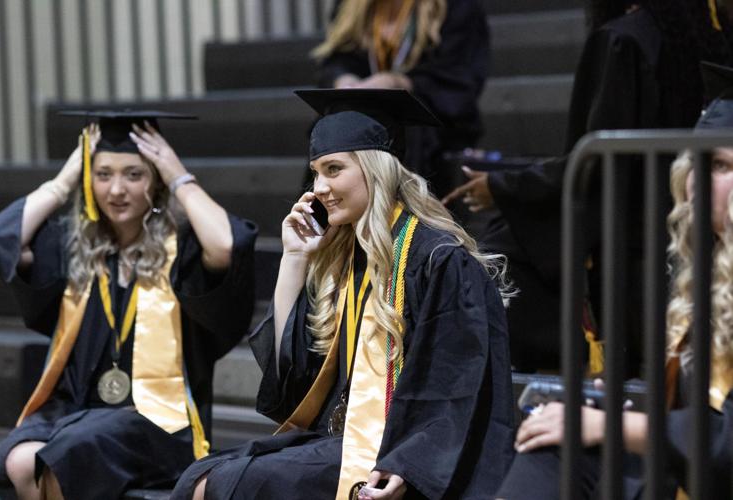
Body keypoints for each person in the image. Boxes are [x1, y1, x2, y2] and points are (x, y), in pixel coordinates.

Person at [171, 89, 514, 500]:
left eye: (334, 169)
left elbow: (454, 384)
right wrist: (294, 259)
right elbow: (294, 379)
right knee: (199, 476)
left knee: (223, 486)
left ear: (376, 170)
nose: (318, 187)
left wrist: (405, 466)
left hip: (405, 459)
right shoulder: (346, 256)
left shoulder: (439, 259)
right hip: (340, 441)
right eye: (315, 172)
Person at [442, 0, 733, 373]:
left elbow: (594, 164)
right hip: (688, 239)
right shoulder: (707, 37)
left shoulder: (622, 40)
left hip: (628, 256)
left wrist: (502, 187)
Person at [0, 111, 257, 500]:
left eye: (134, 174)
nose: (116, 190)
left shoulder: (181, 251)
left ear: (155, 181)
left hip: (155, 421)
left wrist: (177, 175)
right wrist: (63, 182)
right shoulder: (76, 249)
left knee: (68, 454)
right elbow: (0, 238)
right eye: (103, 174)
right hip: (75, 409)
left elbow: (228, 244)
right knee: (18, 460)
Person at [495, 61, 733, 500]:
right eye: (696, 162)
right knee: (554, 442)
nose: (697, 179)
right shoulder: (710, 274)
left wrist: (616, 424)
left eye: (718, 164)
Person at [312, 0, 490, 195]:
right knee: (334, 119)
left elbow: (459, 79)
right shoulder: (349, 5)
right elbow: (336, 59)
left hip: (434, 123)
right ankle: (324, 217)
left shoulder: (456, 6)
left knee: (405, 120)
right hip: (363, 111)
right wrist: (344, 79)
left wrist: (396, 82)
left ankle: (406, 214)